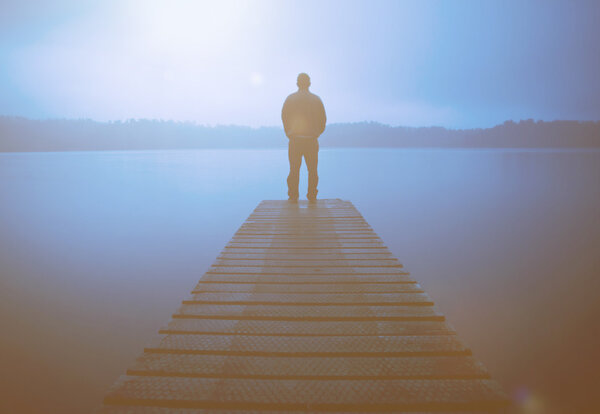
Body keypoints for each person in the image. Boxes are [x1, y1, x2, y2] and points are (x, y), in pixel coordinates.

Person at [281, 73, 326, 202]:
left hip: (295, 139)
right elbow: (323, 120)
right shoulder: (316, 100)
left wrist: (289, 132)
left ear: (297, 83)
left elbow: (284, 118)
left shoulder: (290, 99)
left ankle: (293, 196)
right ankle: (312, 196)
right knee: (312, 170)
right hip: (311, 139)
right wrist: (316, 133)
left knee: (294, 169)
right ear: (309, 84)